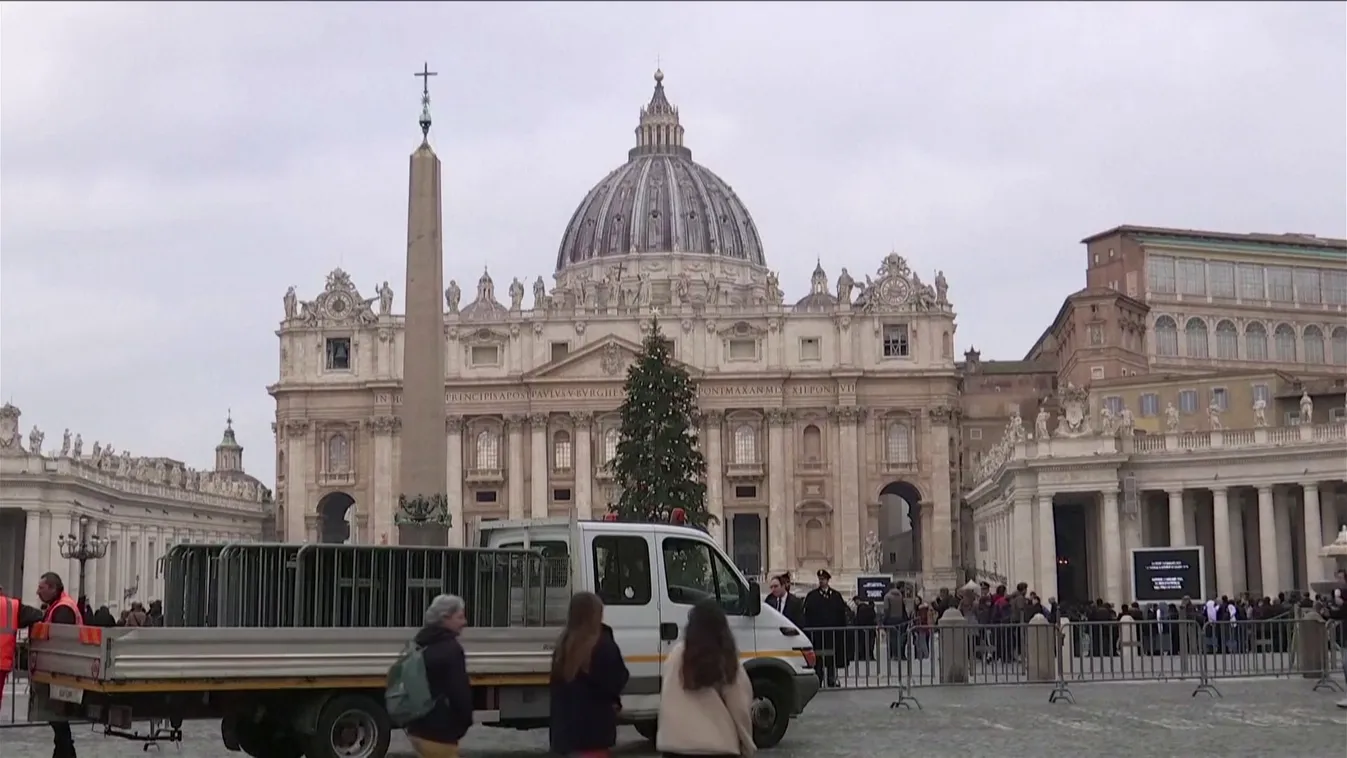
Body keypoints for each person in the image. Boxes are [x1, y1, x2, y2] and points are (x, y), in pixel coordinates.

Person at [656, 600, 756, 758]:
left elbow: (666, 696)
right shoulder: (725, 657)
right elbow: (740, 708)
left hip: (675, 747)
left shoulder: (676, 655)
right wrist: (747, 745)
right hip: (718, 748)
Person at [548, 591, 630, 757]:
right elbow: (618, 679)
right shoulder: (603, 646)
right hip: (593, 739)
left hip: (564, 739)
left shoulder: (562, 646)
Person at [404, 594, 473, 757]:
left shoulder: (420, 643)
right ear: (445, 618)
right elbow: (459, 694)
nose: (464, 622)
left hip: (417, 730)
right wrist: (463, 725)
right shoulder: (451, 649)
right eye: (460, 617)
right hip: (440, 734)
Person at [802, 569, 849, 688]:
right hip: (817, 635)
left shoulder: (836, 596)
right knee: (818, 658)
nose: (821, 581)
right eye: (820, 579)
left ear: (828, 580)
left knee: (832, 658)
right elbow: (807, 615)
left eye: (823, 579)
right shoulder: (812, 596)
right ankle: (818, 679)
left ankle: (832, 679)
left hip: (833, 635)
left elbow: (841, 614)